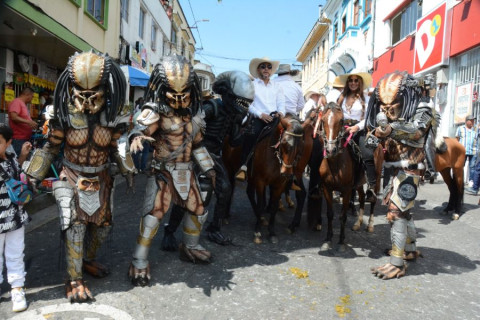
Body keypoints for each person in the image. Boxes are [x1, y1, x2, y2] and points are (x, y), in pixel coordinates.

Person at [24, 51, 134, 302]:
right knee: (75, 227)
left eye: (93, 95)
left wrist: (128, 169)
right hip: (71, 175)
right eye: (81, 95)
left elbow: (117, 146)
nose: (87, 101)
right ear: (72, 88)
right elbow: (50, 148)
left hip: (101, 177)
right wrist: (32, 177)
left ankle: (86, 260)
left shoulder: (114, 115)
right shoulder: (62, 115)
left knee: (103, 227)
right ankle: (73, 278)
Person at [128, 55, 215, 287]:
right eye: (173, 94)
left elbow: (197, 145)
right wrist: (136, 137)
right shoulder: (156, 111)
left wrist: (209, 169)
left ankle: (190, 246)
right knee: (153, 216)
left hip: (187, 172)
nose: (178, 99)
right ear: (164, 90)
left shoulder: (194, 115)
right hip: (163, 172)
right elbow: (139, 128)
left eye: (183, 95)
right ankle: (139, 259)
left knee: (198, 210)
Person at [161, 71, 255, 248]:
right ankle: (170, 231)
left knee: (225, 189)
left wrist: (245, 131)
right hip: (196, 151)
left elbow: (234, 142)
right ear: (227, 94)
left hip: (214, 155)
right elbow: (190, 130)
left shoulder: (234, 115)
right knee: (186, 193)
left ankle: (214, 228)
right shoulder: (212, 107)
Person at [366, 71, 437, 279]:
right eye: (384, 105)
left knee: (395, 213)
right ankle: (410, 249)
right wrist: (375, 136)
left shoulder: (423, 109)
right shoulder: (389, 115)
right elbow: (376, 137)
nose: (388, 109)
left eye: (393, 104)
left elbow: (416, 131)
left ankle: (397, 262)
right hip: (394, 168)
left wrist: (389, 130)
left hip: (410, 168)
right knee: (404, 212)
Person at [236, 56, 285, 180]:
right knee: (251, 135)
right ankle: (244, 166)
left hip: (275, 118)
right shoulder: (252, 85)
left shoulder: (277, 86)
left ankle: (291, 172)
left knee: (291, 138)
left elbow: (281, 103)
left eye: (269, 67)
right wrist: (260, 114)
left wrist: (280, 112)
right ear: (258, 70)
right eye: (263, 66)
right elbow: (247, 104)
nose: (266, 69)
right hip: (259, 118)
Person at [0, 126, 32, 312]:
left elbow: (15, 177)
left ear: (8, 143)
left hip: (15, 216)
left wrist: (22, 156)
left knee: (15, 253)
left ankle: (17, 288)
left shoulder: (11, 159)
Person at [336, 70, 376, 202]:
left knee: (367, 154)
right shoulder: (341, 97)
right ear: (348, 83)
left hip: (359, 130)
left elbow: (370, 118)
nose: (353, 83)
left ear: (360, 83)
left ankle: (371, 187)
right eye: (351, 81)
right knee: (327, 151)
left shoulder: (367, 98)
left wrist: (356, 127)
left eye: (356, 81)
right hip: (342, 130)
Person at [8, 87, 38, 156]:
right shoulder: (17, 102)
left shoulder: (23, 104)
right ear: (27, 94)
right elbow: (14, 117)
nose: (32, 98)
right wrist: (29, 122)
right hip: (18, 139)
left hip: (24, 139)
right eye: (32, 96)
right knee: (19, 162)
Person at [456, 114, 477, 185]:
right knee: (461, 166)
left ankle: (471, 181)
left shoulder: (476, 130)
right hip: (462, 151)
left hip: (473, 151)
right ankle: (460, 180)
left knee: (472, 167)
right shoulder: (460, 128)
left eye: (473, 121)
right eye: (471, 121)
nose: (472, 122)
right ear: (466, 121)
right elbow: (457, 140)